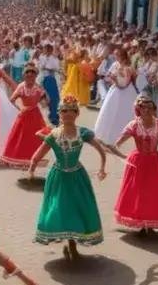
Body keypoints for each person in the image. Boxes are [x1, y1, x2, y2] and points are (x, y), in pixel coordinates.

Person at [28, 96, 107, 260]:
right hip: (58, 178)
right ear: (59, 114)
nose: (68, 114)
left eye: (72, 111)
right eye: (64, 111)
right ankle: (68, 243)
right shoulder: (53, 134)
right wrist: (32, 169)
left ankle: (72, 244)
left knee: (77, 209)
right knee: (59, 208)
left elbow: (100, 148)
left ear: (77, 113)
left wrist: (102, 167)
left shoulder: (82, 133)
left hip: (77, 177)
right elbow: (39, 153)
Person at [110, 94, 158, 235]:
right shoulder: (134, 125)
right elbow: (118, 143)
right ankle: (142, 223)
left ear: (154, 109)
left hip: (154, 162)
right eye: (144, 108)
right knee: (138, 192)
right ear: (139, 109)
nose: (147, 110)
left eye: (150, 108)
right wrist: (118, 152)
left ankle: (149, 223)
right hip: (138, 162)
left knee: (154, 192)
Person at [0, 63, 50, 168]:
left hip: (35, 116)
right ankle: (21, 159)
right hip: (24, 115)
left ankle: (33, 159)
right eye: (27, 73)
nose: (30, 75)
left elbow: (46, 102)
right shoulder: (21, 87)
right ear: (24, 75)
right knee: (21, 138)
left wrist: (44, 97)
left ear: (35, 76)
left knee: (34, 138)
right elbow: (12, 100)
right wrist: (20, 109)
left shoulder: (38, 87)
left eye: (32, 73)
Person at [92, 49, 139, 146]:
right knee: (109, 112)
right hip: (114, 91)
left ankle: (119, 139)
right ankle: (104, 136)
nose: (115, 57)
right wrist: (111, 78)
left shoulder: (128, 68)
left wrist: (115, 80)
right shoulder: (115, 65)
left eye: (117, 55)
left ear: (122, 56)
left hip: (125, 94)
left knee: (121, 115)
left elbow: (124, 85)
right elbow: (108, 75)